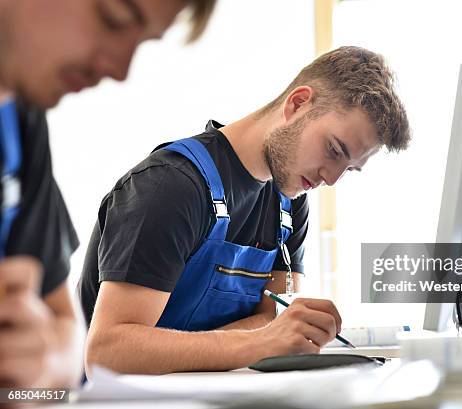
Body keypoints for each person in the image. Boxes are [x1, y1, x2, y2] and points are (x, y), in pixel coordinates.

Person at [80, 46, 411, 375]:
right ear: (298, 104)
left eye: (349, 168)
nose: (331, 178)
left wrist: (281, 333)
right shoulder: (170, 187)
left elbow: (272, 317)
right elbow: (107, 352)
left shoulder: (290, 205)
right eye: (334, 150)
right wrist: (260, 342)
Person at [0, 0, 216, 388]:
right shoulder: (168, 181)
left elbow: (67, 339)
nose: (119, 70)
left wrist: (40, 367)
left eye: (143, 41)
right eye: (114, 17)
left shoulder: (19, 121)